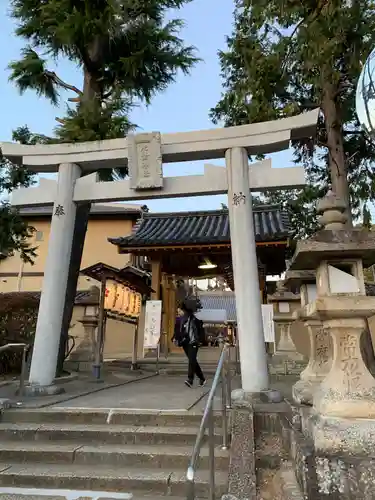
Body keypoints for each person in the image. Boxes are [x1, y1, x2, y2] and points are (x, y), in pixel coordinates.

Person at [173, 302, 206, 388]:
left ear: (183, 310)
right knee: (193, 361)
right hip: (185, 343)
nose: (178, 313)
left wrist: (201, 340)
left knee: (192, 360)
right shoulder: (179, 320)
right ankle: (202, 378)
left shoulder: (193, 319)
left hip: (193, 342)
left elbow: (200, 330)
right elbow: (176, 331)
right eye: (178, 311)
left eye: (179, 311)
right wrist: (174, 338)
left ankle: (190, 379)